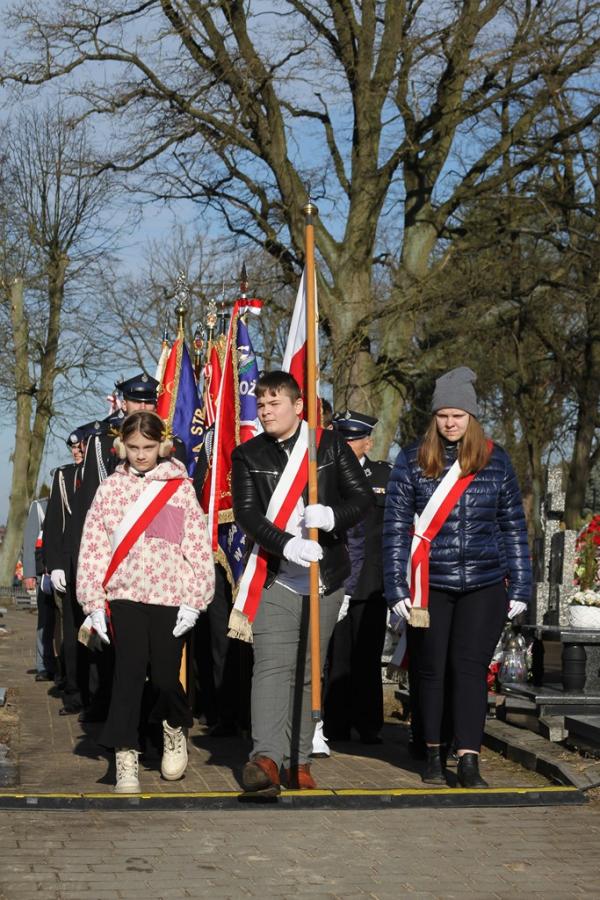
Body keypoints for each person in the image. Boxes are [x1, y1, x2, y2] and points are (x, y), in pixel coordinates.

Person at [383, 367, 531, 788]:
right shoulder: (411, 459)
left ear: (472, 417)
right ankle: (432, 752)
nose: (450, 423)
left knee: (470, 670)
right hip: (429, 584)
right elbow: (395, 528)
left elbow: (513, 527)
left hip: (484, 583)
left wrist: (521, 585)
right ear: (434, 417)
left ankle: (468, 759)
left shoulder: (496, 460)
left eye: (458, 416)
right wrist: (395, 586)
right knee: (430, 670)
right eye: (443, 415)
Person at [231, 371, 372, 798]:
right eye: (261, 404)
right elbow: (247, 514)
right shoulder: (247, 454)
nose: (265, 411)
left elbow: (362, 498)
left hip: (325, 578)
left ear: (297, 406)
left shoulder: (329, 446)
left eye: (274, 403)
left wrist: (331, 517)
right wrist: (286, 544)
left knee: (310, 670)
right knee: (272, 667)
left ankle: (299, 760)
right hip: (276, 575)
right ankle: (266, 759)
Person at [76, 411, 215, 793]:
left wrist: (195, 599)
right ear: (122, 446)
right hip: (125, 595)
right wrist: (94, 602)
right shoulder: (109, 490)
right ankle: (126, 756)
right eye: (134, 447)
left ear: (162, 446)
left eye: (148, 447)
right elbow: (94, 548)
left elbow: (196, 548)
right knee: (129, 674)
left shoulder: (180, 488)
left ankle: (174, 726)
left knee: (167, 677)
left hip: (170, 597)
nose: (141, 454)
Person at [323, 410, 391, 745]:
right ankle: (335, 724)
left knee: (367, 656)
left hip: (371, 582)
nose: (347, 445)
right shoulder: (325, 475)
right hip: (336, 578)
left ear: (368, 442)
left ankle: (368, 724)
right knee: (337, 655)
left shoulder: (384, 476)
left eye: (353, 439)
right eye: (342, 439)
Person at [43, 429, 88, 712]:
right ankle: (75, 692)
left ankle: (97, 695)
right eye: (73, 448)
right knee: (71, 633)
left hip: (96, 565)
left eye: (81, 447)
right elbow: (53, 525)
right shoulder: (64, 476)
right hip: (71, 564)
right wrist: (56, 565)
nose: (76, 452)